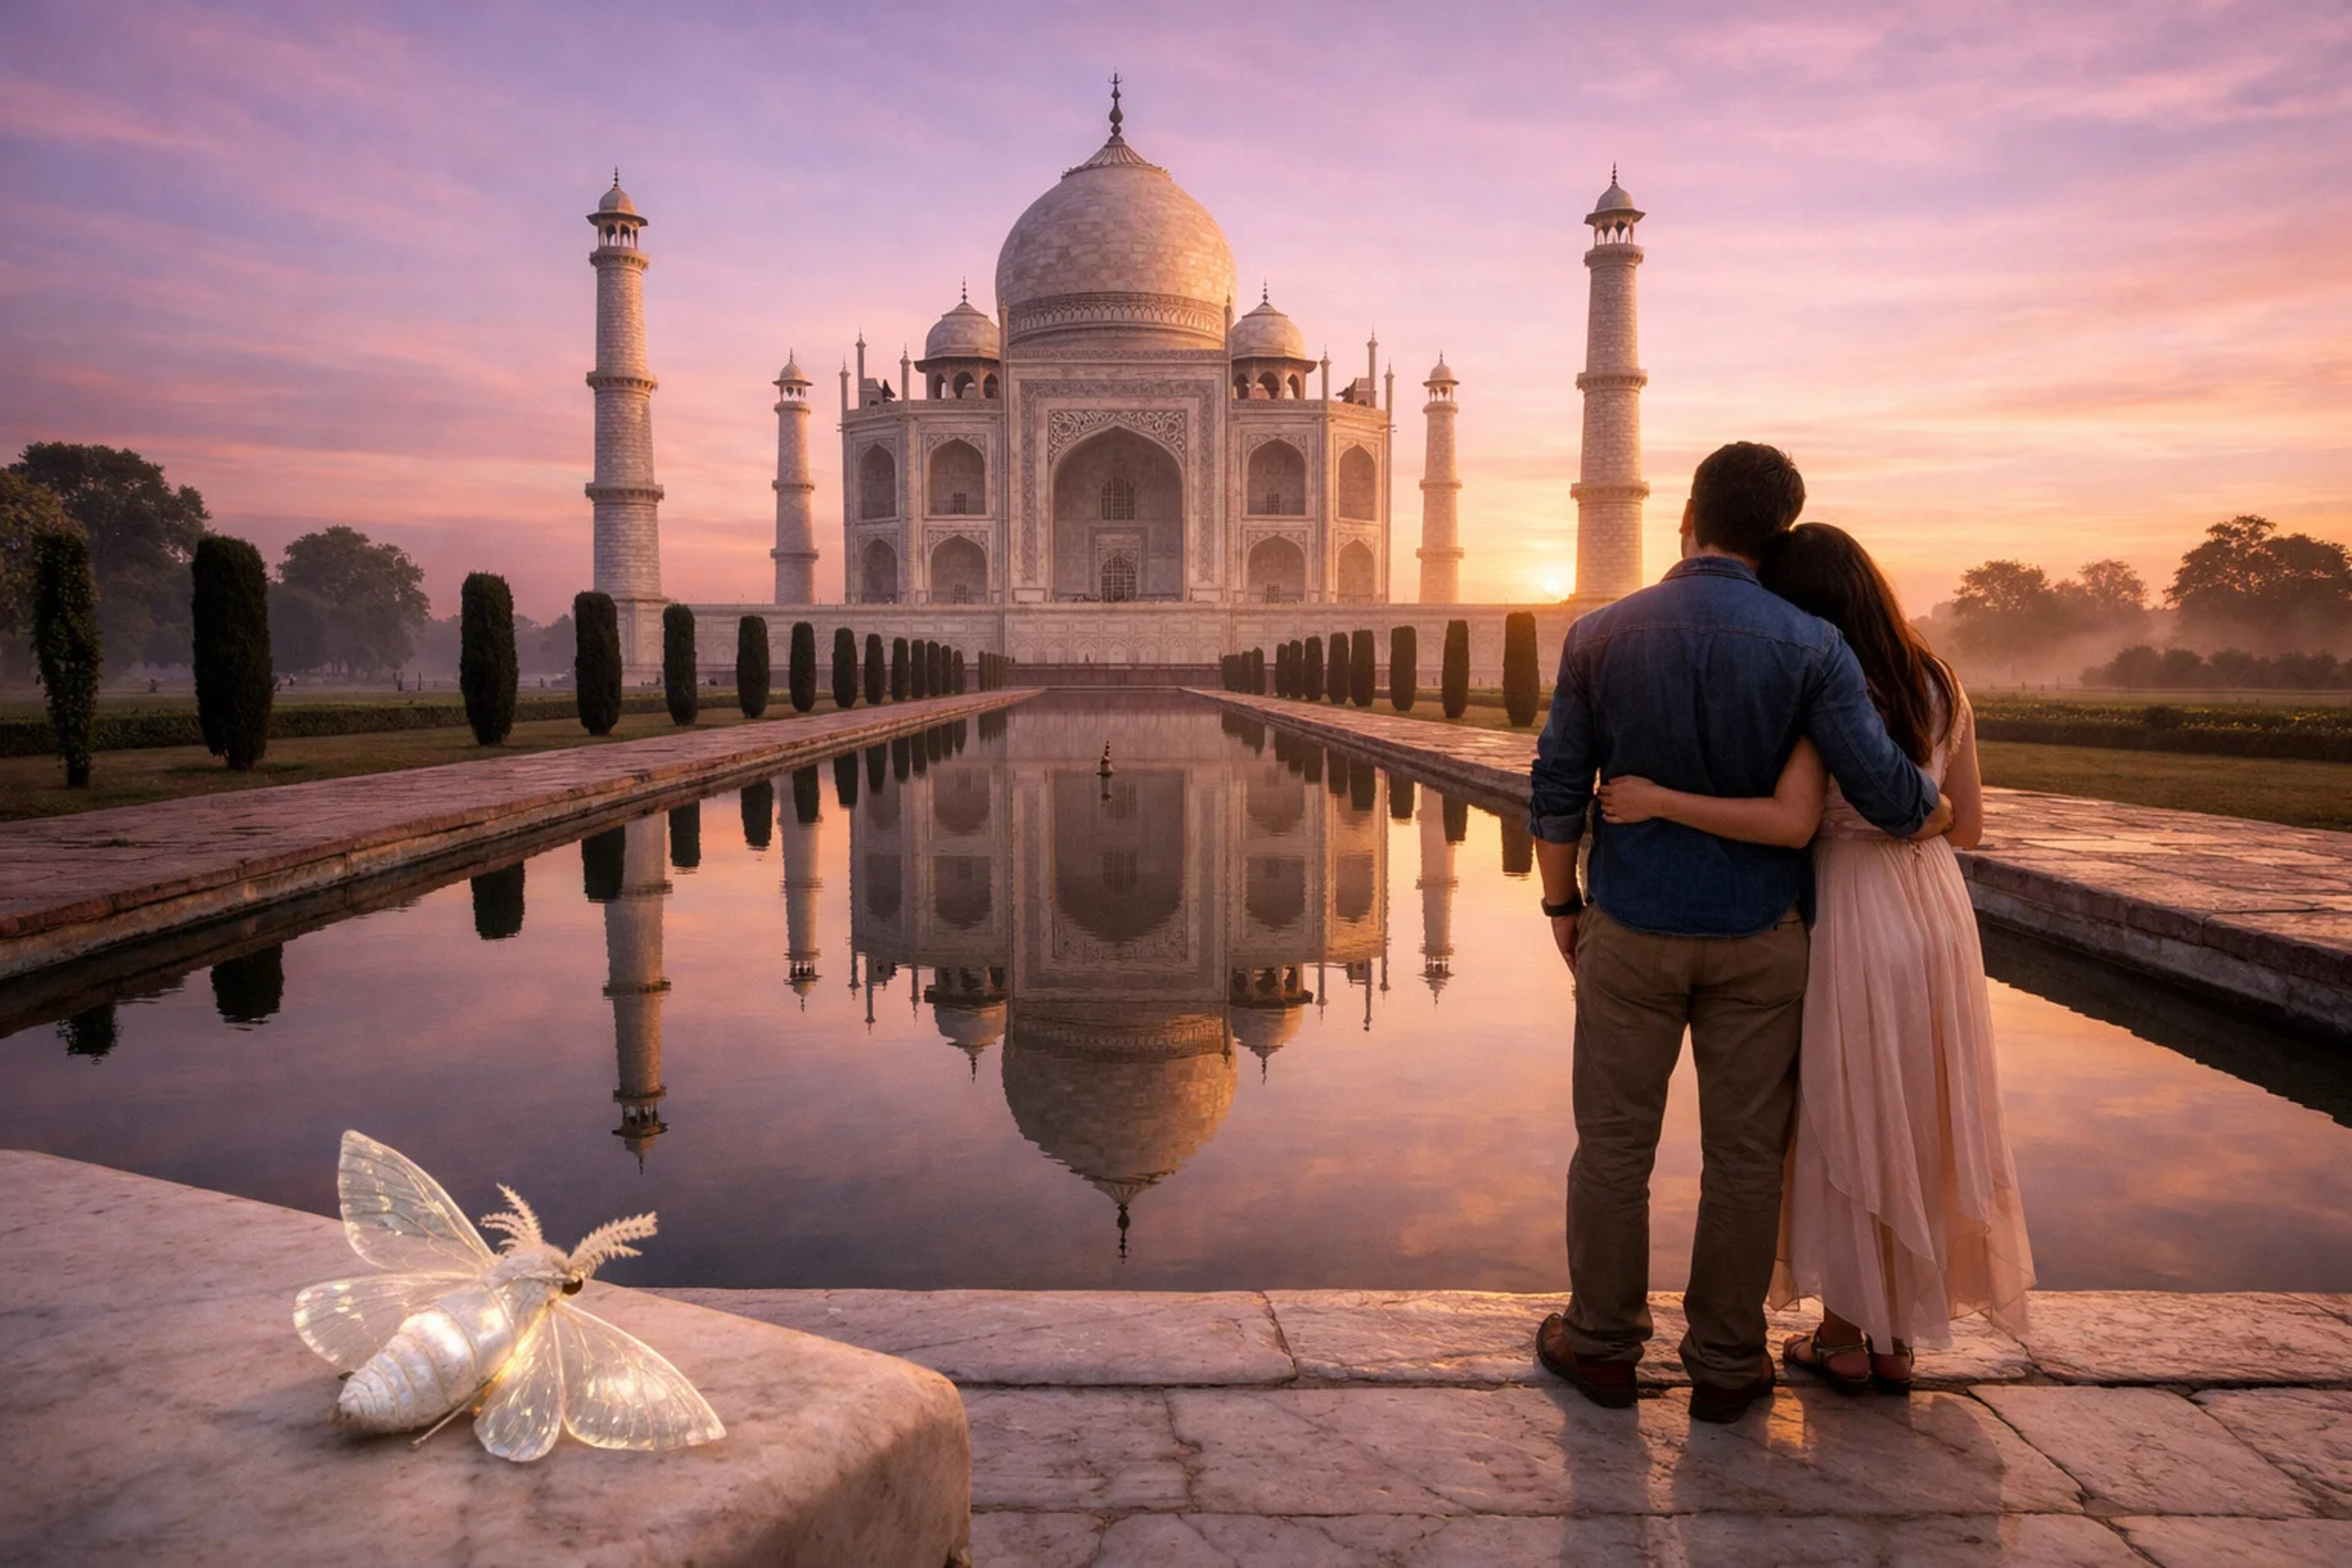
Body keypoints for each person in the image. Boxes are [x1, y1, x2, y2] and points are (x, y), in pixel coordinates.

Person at [1526, 442, 1942, 1424]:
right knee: (1746, 1155)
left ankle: (1601, 1348)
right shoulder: (1811, 644)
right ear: (1780, 533)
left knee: (1614, 1147)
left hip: (1630, 922)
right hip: (1763, 932)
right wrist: (1936, 803)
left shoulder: (1601, 632)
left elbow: (1554, 786)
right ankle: (1724, 1361)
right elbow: (1886, 793)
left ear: (1687, 514)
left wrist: (1561, 906)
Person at [1595, 522, 2034, 1393]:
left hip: (1854, 909)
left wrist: (1653, 801)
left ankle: (1844, 1335)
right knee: (1918, 1109)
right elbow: (1969, 824)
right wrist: (1928, 815)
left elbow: (1793, 821)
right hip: (1935, 909)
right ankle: (1894, 1339)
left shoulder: (1823, 683)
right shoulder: (1941, 682)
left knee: (1847, 1112)